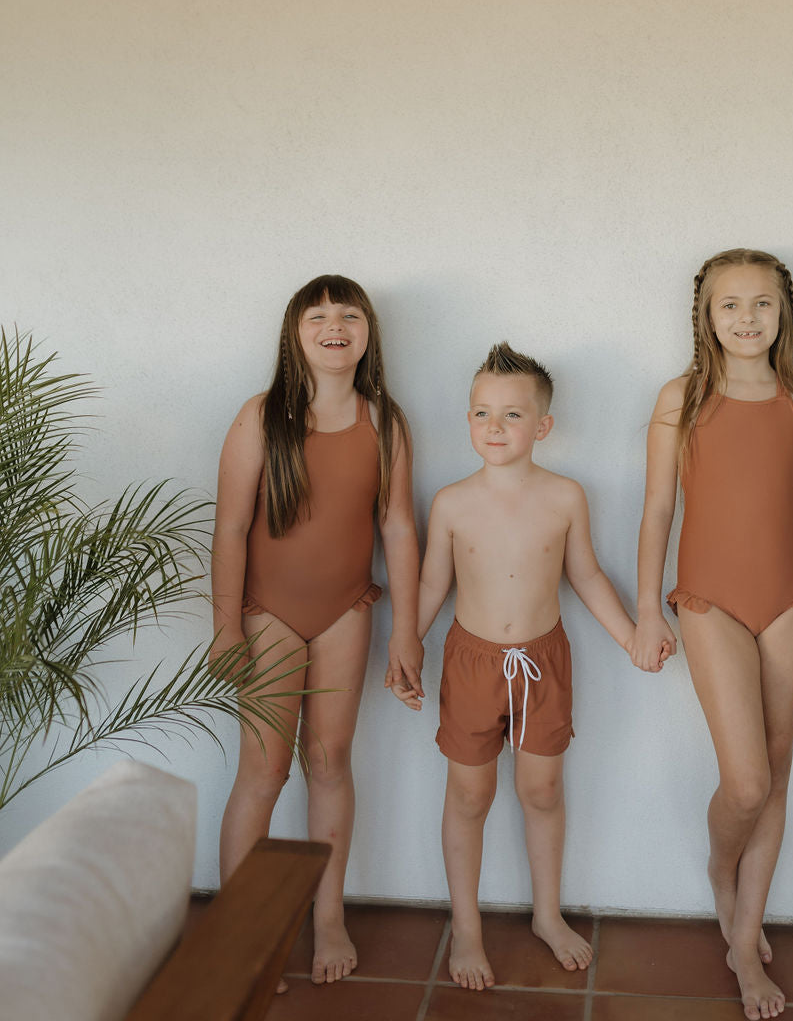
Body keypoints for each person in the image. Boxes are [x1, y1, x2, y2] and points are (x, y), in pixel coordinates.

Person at [631, 249, 793, 1021]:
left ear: (786, 314)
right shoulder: (682, 397)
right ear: (705, 317)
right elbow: (656, 511)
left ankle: (744, 938)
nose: (747, 319)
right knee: (744, 781)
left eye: (762, 305)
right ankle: (725, 871)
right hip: (709, 600)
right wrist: (649, 608)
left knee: (777, 770)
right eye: (730, 305)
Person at [389, 341, 635, 990]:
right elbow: (433, 587)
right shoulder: (450, 502)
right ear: (467, 418)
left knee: (541, 790)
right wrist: (404, 646)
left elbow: (585, 573)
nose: (494, 428)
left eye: (512, 415)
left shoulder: (565, 496)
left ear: (543, 426)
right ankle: (466, 926)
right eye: (481, 413)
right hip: (472, 663)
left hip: (543, 662)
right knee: (470, 794)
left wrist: (632, 636)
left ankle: (547, 915)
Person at [210, 275, 422, 985]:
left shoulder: (384, 420)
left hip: (346, 613)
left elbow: (396, 525)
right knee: (264, 769)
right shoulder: (261, 416)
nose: (335, 327)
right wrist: (225, 626)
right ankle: (244, 926)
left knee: (330, 763)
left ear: (368, 333)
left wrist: (408, 631)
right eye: (319, 317)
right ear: (294, 334)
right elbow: (232, 527)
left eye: (350, 315)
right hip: (266, 616)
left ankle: (328, 916)